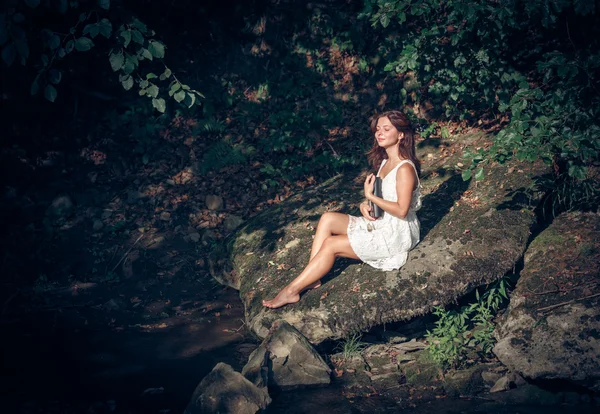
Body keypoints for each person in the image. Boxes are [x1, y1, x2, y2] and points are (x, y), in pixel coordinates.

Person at [262, 110, 422, 309]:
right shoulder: (384, 163)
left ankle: (291, 291)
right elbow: (384, 199)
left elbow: (401, 210)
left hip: (397, 233)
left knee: (331, 244)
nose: (379, 133)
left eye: (386, 129)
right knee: (328, 218)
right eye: (378, 129)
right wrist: (367, 205)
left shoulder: (405, 168)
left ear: (400, 135)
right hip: (382, 222)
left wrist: (371, 196)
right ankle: (312, 276)